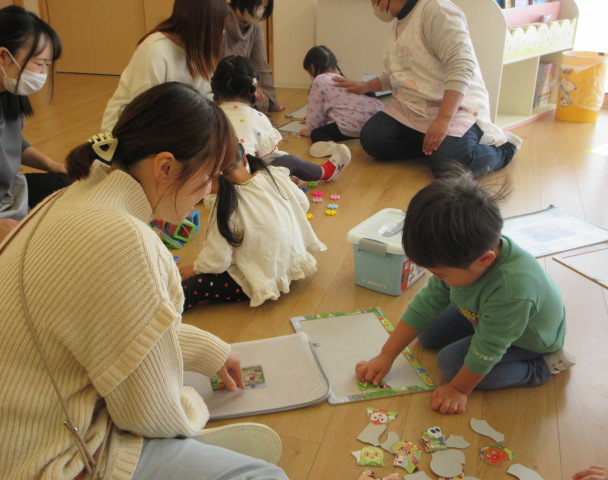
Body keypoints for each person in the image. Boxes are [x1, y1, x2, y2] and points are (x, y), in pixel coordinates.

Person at [0, 82, 288, 479]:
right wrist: (192, 406)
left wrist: (208, 350)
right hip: (40, 462)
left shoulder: (74, 196)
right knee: (267, 476)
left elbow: (109, 328)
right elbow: (149, 416)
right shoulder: (124, 239)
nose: (210, 190)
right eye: (208, 177)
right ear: (165, 167)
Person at [355, 171, 575, 415]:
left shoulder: (513, 290)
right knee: (427, 333)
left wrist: (458, 389)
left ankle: (542, 367)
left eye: (439, 274)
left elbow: (488, 349)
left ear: (484, 260)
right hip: (485, 314)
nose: (436, 278)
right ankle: (475, 326)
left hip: (525, 339)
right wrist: (386, 355)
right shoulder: (468, 251)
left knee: (450, 364)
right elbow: (425, 304)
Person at [334, 0, 521, 178]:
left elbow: (461, 67)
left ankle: (505, 149)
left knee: (449, 166)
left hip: (456, 108)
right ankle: (434, 148)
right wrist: (366, 86)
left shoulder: (438, 11)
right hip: (415, 107)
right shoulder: (402, 19)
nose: (372, 4)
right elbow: (401, 72)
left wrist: (443, 119)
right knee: (373, 139)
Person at [0, 5, 70, 280]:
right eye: (39, 64)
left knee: (67, 185)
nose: (43, 73)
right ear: (3, 55)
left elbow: (12, 141)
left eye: (47, 65)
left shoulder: (4, 84)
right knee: (26, 257)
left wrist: (52, 165)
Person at [179, 143, 326, 309]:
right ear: (243, 158)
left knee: (196, 285)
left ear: (208, 177)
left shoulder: (225, 205)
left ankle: (165, 310)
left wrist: (195, 268)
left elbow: (218, 261)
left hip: (261, 280)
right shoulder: (273, 174)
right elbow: (303, 204)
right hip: (292, 262)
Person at [211, 55, 351, 182]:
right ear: (254, 88)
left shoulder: (210, 115)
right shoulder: (256, 117)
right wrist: (283, 175)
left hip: (211, 185)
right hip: (244, 184)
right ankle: (326, 172)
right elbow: (268, 156)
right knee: (290, 161)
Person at [101, 0, 228, 131]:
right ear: (203, 24)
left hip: (173, 125)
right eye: (219, 25)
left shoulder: (200, 50)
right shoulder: (155, 50)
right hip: (132, 129)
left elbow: (207, 98)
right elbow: (144, 113)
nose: (222, 31)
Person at [300, 45, 383, 152]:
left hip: (355, 126)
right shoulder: (339, 78)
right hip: (376, 120)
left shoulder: (318, 81)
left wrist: (310, 131)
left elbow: (315, 116)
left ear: (312, 67)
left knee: (317, 133)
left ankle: (335, 148)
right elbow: (341, 106)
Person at [223, 0, 283, 113]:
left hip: (244, 88)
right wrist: (248, 85)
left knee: (262, 100)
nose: (261, 9)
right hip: (221, 86)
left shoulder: (256, 27)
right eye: (258, 4)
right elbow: (220, 69)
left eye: (265, 6)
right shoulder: (219, 20)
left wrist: (272, 102)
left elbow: (262, 66)